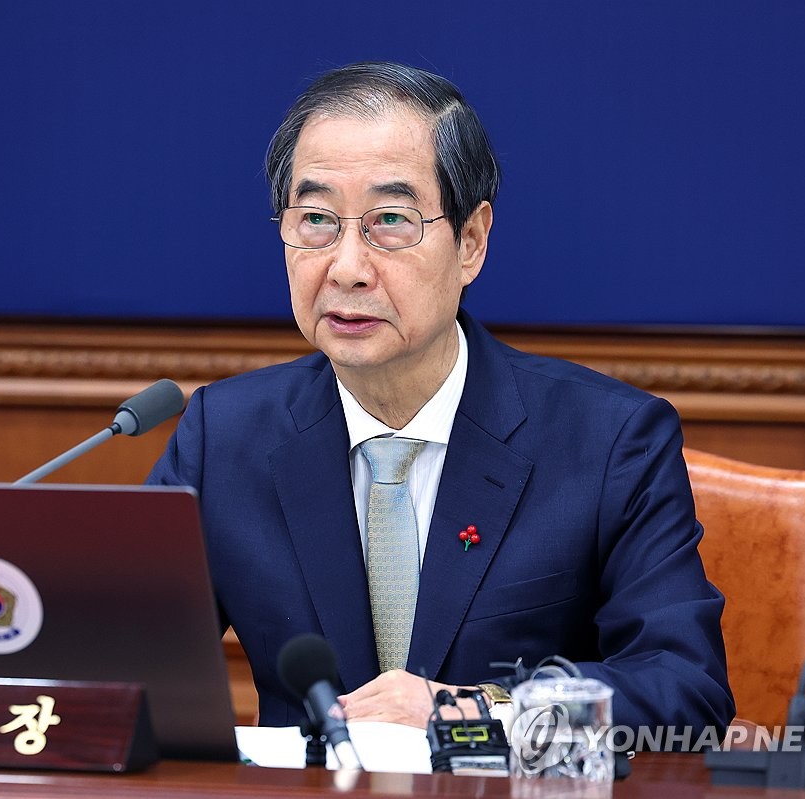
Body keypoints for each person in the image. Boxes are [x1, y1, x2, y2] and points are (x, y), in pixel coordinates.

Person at [147, 61, 734, 734]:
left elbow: (686, 689)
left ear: (472, 243)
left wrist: (472, 707)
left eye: (390, 220)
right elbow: (124, 652)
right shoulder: (221, 437)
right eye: (315, 220)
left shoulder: (608, 442)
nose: (346, 267)